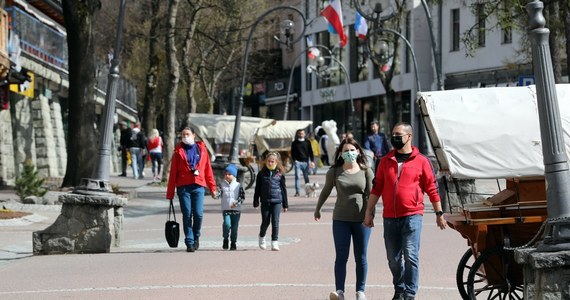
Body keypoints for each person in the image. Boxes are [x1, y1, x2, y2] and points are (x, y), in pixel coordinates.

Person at [364, 122, 446, 300]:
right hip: (390, 217)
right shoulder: (385, 161)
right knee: (393, 260)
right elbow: (376, 189)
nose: (394, 138)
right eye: (393, 134)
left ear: (409, 137)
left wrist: (439, 214)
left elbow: (432, 188)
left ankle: (409, 292)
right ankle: (399, 288)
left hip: (412, 215)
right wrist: (368, 212)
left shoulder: (422, 161)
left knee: (411, 255)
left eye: (398, 134)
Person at [314, 138, 374, 300]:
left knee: (361, 256)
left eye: (352, 150)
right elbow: (325, 191)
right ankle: (339, 291)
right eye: (346, 151)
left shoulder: (366, 171)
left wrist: (371, 214)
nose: (349, 153)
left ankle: (360, 291)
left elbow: (371, 195)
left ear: (358, 152)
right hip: (340, 219)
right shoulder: (334, 171)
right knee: (341, 255)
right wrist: (318, 209)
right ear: (340, 154)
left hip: (362, 220)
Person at [166, 127, 217, 253]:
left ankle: (196, 236)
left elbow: (208, 170)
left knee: (198, 214)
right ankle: (189, 241)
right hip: (183, 187)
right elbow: (173, 173)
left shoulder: (202, 149)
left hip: (198, 185)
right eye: (183, 135)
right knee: (187, 214)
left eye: (187, 134)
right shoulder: (178, 151)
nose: (185, 137)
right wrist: (170, 193)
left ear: (194, 135)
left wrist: (213, 188)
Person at [253, 151, 288, 251]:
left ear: (276, 162)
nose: (270, 163)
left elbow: (283, 189)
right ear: (265, 161)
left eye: (272, 161)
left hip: (277, 201)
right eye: (268, 161)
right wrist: (256, 201)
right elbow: (257, 189)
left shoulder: (280, 174)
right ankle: (262, 236)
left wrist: (285, 204)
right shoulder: (261, 174)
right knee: (265, 221)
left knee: (275, 221)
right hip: (265, 201)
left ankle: (274, 242)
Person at [219, 164, 245, 251]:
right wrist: (215, 194)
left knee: (234, 228)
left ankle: (233, 243)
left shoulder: (238, 185)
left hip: (236, 211)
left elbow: (242, 197)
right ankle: (225, 239)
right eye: (225, 174)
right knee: (227, 224)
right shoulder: (222, 185)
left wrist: (237, 203)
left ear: (234, 176)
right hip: (226, 209)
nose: (227, 175)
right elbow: (219, 194)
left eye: (229, 174)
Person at [290, 129, 314, 196]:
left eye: (302, 133)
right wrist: (294, 160)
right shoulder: (294, 143)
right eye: (300, 133)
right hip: (297, 162)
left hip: (306, 162)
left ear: (305, 134)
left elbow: (311, 152)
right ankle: (297, 192)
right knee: (297, 177)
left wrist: (312, 161)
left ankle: (308, 191)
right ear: (298, 134)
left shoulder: (307, 142)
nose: (301, 135)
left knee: (306, 177)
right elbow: (292, 153)